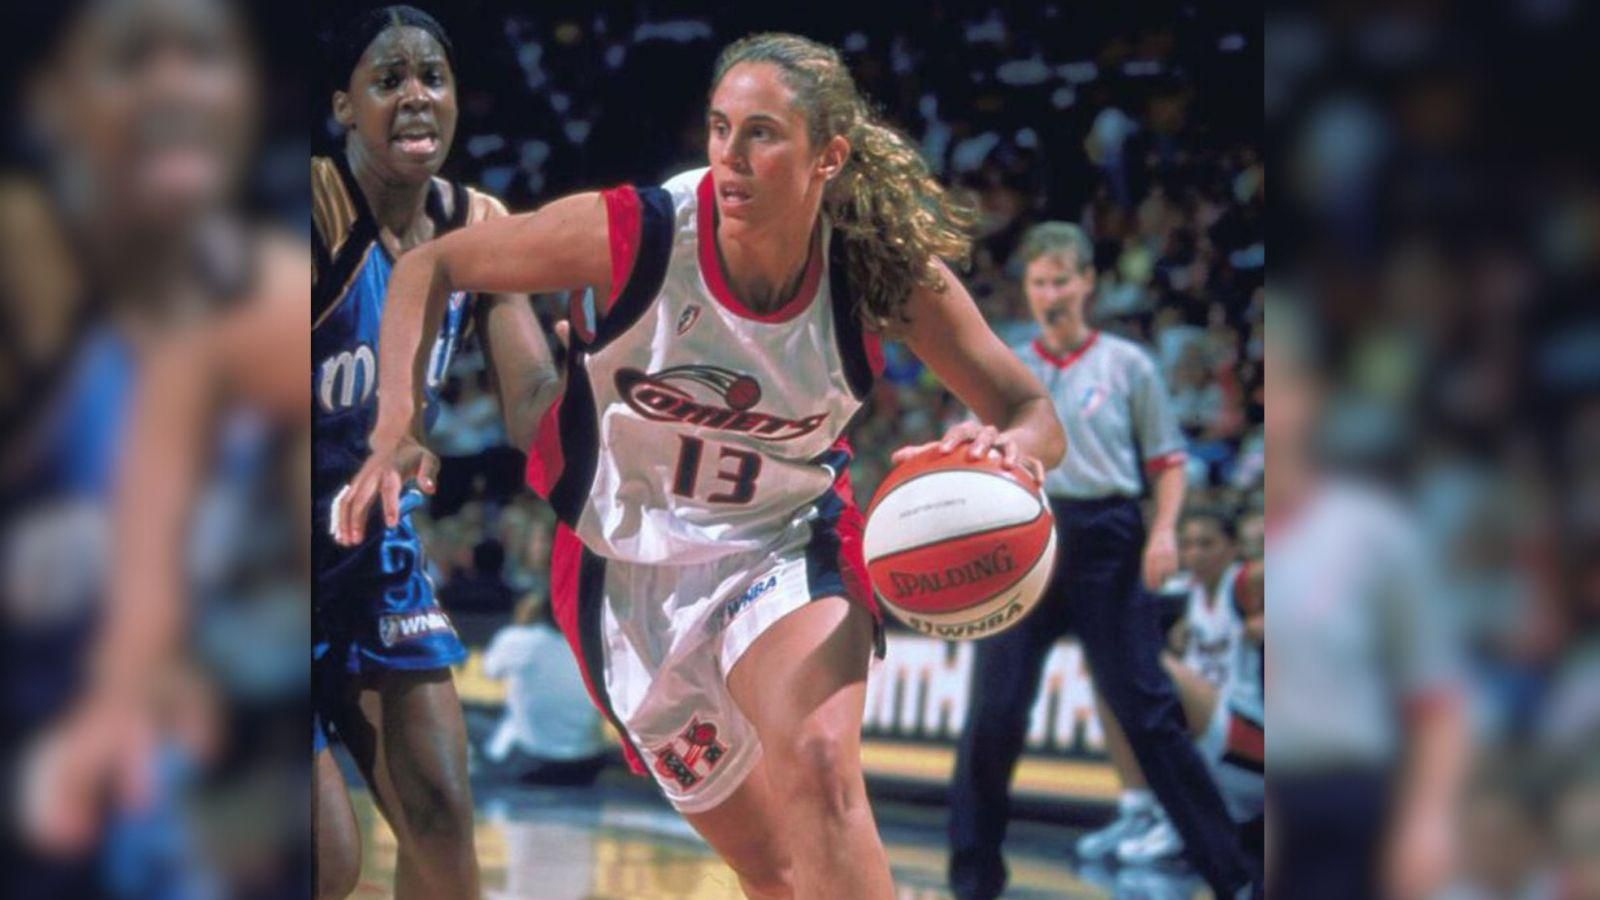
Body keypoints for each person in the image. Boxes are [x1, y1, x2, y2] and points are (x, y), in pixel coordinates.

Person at [336, 32, 1065, 899]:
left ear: (828, 155)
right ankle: (538, 326)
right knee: (778, 876)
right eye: (721, 129)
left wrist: (1010, 451)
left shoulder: (879, 269)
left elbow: (1030, 409)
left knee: (825, 767)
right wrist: (399, 423)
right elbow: (431, 262)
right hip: (621, 569)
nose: (731, 156)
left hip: (781, 543)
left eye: (762, 133)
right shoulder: (646, 228)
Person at [6, 0, 306, 895]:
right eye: (133, 59)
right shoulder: (28, 264)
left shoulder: (263, 303)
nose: (174, 85)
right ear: (52, 100)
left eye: (205, 56)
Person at [310, 7, 555, 898]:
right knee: (325, 864)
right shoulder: (311, 208)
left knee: (446, 832)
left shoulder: (476, 220)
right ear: (344, 106)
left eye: (434, 77)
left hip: (371, 560)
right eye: (389, 80)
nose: (417, 96)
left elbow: (532, 404)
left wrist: (617, 393)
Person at [947, 221, 1259, 899]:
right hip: (1022, 537)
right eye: (1038, 281)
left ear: (1088, 282)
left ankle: (1234, 878)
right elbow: (965, 447)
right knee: (993, 713)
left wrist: (1163, 532)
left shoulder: (1127, 364)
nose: (1049, 292)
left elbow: (1169, 463)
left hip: (1107, 538)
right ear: (1025, 290)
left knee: (1147, 710)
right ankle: (973, 882)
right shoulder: (1007, 362)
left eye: (1062, 278)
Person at [1078, 508, 1253, 865]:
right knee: (1110, 669)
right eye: (1186, 544)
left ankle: (1183, 819)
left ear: (1234, 548)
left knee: (1136, 665)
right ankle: (1140, 810)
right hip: (1214, 748)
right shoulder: (1187, 593)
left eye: (1207, 544)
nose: (1194, 553)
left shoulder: (1246, 582)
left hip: (1251, 744)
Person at [480, 593, 607, 785]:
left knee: (473, 720)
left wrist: (522, 624)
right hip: (586, 764)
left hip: (530, 760)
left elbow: (490, 671)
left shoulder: (516, 639)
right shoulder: (599, 646)